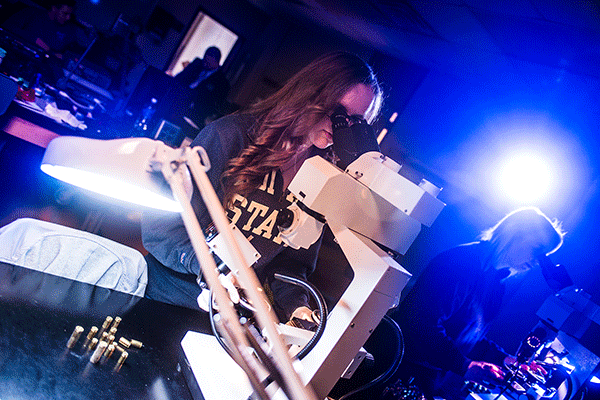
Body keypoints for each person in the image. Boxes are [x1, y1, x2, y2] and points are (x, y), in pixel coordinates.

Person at [142, 51, 383, 323]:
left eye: (353, 120)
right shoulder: (230, 136)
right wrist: (211, 270)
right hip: (167, 298)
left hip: (229, 321)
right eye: (338, 112)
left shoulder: (321, 178)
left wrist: (298, 308)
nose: (341, 125)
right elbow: (160, 228)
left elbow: (290, 266)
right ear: (311, 96)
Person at [386, 207, 565, 400]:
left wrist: (507, 361)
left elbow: (470, 337)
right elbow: (420, 324)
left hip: (428, 378)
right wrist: (465, 366)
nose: (538, 262)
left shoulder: (496, 285)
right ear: (515, 232)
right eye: (537, 250)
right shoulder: (460, 263)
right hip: (397, 370)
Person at [174, 46, 231, 128]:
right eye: (205, 59)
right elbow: (179, 79)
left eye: (208, 61)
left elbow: (212, 106)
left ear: (216, 61)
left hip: (195, 114)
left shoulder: (222, 83)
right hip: (177, 102)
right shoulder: (197, 64)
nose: (205, 63)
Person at [2, 0, 79, 56]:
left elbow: (70, 54)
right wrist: (35, 41)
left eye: (70, 15)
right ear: (54, 8)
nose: (68, 17)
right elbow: (7, 27)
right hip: (13, 55)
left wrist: (52, 53)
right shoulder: (31, 13)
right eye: (65, 13)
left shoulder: (69, 30)